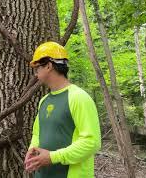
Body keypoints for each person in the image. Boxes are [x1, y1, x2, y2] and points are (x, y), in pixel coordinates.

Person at [24, 42, 101, 178]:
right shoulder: (44, 100)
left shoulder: (79, 97)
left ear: (48, 66)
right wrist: (32, 149)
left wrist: (53, 157)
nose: (36, 73)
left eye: (37, 68)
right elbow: (38, 133)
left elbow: (92, 142)